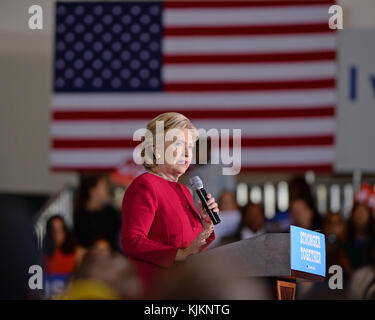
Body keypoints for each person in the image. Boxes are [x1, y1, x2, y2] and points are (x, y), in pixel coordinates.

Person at [121, 112, 219, 294]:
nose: (188, 152)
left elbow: (191, 249)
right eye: (180, 144)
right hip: (158, 289)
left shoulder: (184, 191)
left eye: (190, 146)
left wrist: (207, 226)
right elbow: (132, 241)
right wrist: (178, 254)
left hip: (186, 288)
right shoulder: (145, 185)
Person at [73, 174, 122, 252]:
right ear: (92, 191)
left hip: (112, 257)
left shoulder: (111, 211)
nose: (107, 190)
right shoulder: (81, 216)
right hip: (93, 259)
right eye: (104, 188)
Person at [346, 202, 374, 270]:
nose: (360, 216)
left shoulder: (372, 240)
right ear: (352, 215)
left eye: (363, 213)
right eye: (357, 213)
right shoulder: (345, 239)